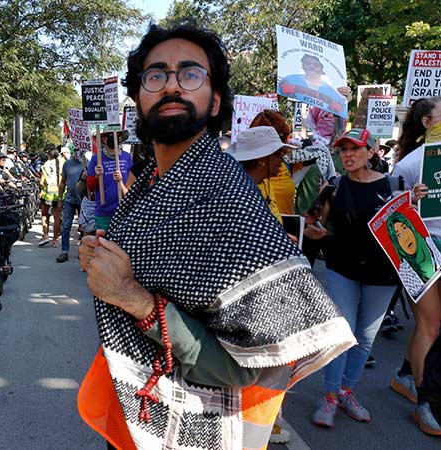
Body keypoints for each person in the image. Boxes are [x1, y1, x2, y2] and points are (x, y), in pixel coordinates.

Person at [77, 22, 354, 450]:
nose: (171, 85)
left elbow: (241, 367)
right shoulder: (154, 183)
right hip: (139, 404)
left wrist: (128, 294)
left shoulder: (224, 196)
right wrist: (104, 258)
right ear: (137, 100)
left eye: (190, 74)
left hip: (190, 426)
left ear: (215, 101)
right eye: (156, 75)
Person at [310, 128, 400, 428]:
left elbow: (407, 228)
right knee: (342, 332)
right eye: (343, 149)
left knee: (364, 338)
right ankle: (330, 396)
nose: (347, 155)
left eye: (355, 149)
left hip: (382, 273)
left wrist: (416, 202)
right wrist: (315, 232)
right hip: (341, 267)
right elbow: (313, 223)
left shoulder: (394, 186)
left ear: (372, 152)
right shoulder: (333, 186)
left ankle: (347, 391)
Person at [390, 96, 441, 435]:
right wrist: (409, 199)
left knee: (437, 325)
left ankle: (407, 375)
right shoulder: (410, 165)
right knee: (430, 323)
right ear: (428, 123)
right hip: (421, 250)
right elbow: (388, 212)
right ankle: (428, 401)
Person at [225, 126, 296, 223]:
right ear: (261, 159)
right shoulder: (239, 192)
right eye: (278, 154)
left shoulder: (265, 183)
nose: (282, 159)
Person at [387, 212, 441, 297]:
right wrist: (409, 202)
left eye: (404, 228)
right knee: (430, 309)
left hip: (428, 242)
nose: (405, 238)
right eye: (398, 235)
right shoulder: (407, 270)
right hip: (424, 236)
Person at [86, 127, 133, 231]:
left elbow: (132, 185)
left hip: (123, 211)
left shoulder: (127, 157)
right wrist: (97, 176)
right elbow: (90, 187)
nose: (113, 138)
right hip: (104, 212)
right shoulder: (96, 159)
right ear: (104, 139)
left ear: (120, 138)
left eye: (116, 135)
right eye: (109, 136)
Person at [278, 54, 348, 117]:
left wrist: (347, 99)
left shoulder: (332, 92)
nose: (311, 66)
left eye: (316, 65)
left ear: (322, 70)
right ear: (303, 66)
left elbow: (340, 110)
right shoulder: (290, 80)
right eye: (308, 63)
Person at [56, 148, 85, 262]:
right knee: (66, 225)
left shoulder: (87, 162)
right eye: (77, 149)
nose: (78, 152)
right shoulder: (68, 164)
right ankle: (64, 251)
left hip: (84, 200)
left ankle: (83, 251)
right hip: (69, 200)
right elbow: (63, 182)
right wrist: (59, 199)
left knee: (84, 227)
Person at [38, 149, 63, 247]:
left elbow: (41, 182)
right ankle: (55, 240)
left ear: (49, 155)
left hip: (47, 194)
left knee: (44, 215)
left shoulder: (45, 165)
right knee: (57, 217)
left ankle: (45, 235)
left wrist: (41, 188)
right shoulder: (62, 163)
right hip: (59, 195)